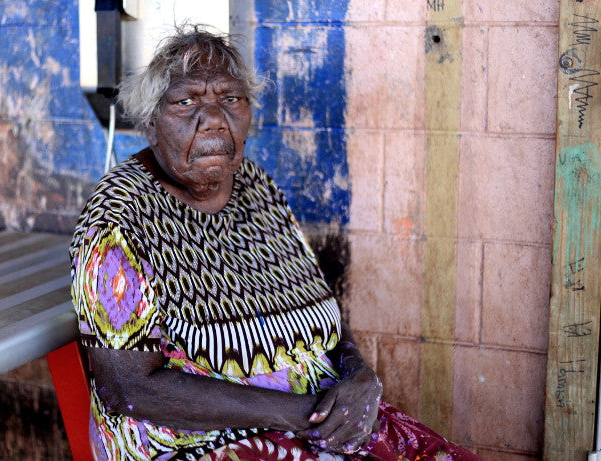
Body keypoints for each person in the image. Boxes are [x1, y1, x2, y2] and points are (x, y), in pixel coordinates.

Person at [70, 25, 482, 461]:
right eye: (186, 102)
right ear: (151, 124)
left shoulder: (255, 186)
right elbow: (128, 388)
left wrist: (360, 373)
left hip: (320, 422)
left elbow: (316, 302)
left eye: (230, 99)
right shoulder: (120, 217)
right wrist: (305, 415)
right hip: (201, 444)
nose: (213, 118)